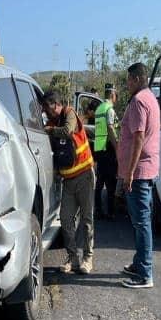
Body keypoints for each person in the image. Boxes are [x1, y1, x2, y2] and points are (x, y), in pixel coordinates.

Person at [117, 63, 160, 289]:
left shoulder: (138, 102)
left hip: (139, 172)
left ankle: (145, 274)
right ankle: (139, 263)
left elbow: (138, 138)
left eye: (128, 80)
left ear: (134, 79)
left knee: (141, 222)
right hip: (146, 169)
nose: (126, 84)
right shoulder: (150, 97)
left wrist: (130, 172)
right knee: (141, 222)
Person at [43, 90, 95, 275]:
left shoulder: (69, 114)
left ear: (56, 105)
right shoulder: (52, 122)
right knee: (66, 219)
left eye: (47, 108)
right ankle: (72, 258)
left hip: (84, 176)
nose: (45, 112)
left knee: (87, 219)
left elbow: (68, 131)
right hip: (68, 181)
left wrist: (50, 131)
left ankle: (87, 259)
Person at [94, 84, 119, 220]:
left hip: (99, 148)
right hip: (108, 149)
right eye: (116, 96)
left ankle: (98, 210)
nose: (116, 98)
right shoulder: (109, 109)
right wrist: (117, 146)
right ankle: (110, 212)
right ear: (112, 95)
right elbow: (110, 128)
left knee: (99, 183)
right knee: (111, 182)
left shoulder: (99, 109)